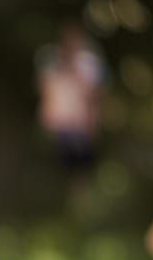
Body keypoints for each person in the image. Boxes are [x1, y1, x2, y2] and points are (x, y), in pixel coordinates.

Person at [37, 23, 105, 171]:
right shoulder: (50, 61)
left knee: (82, 164)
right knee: (62, 164)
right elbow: (46, 91)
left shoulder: (89, 63)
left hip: (81, 124)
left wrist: (94, 119)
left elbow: (95, 95)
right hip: (61, 125)